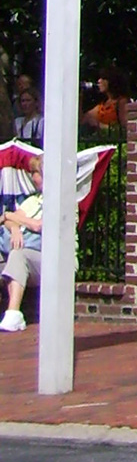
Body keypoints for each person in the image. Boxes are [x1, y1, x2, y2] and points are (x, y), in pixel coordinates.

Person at [0, 153, 43, 332]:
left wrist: (10, 216)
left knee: (18, 254)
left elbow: (40, 226)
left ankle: (14, 314)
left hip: (51, 260)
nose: (32, 178)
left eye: (36, 173)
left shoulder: (64, 202)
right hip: (26, 252)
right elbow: (8, 220)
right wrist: (15, 228)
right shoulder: (32, 201)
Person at [82, 66, 130, 131]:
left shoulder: (122, 102)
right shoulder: (104, 103)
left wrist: (100, 125)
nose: (99, 81)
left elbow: (125, 129)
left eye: (103, 78)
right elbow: (84, 119)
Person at [12, 77, 42, 148]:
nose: (25, 104)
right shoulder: (17, 122)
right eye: (23, 101)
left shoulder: (41, 121)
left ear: (36, 102)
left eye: (28, 100)